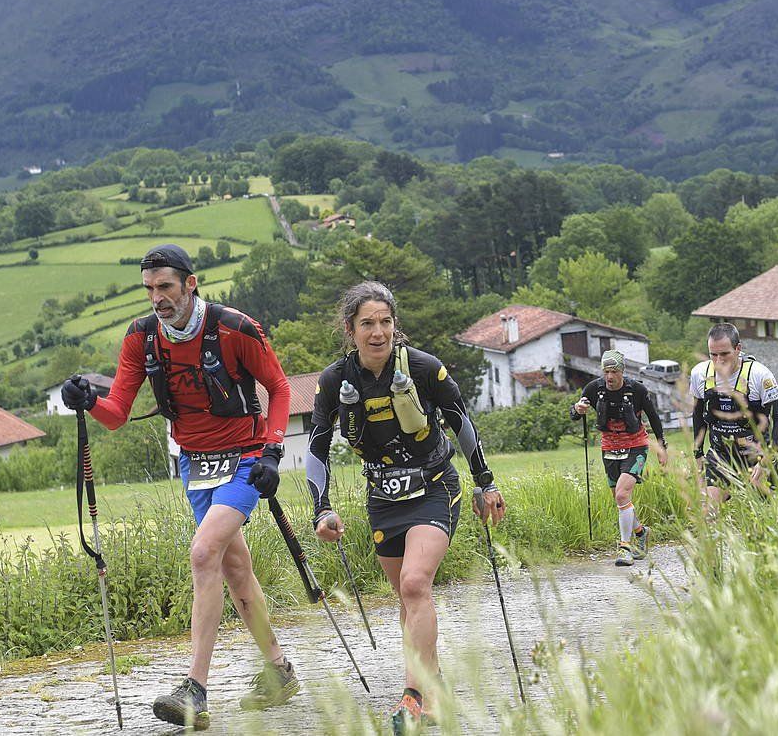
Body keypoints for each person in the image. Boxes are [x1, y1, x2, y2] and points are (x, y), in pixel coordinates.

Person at [60, 244, 295, 729]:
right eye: (149, 289)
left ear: (191, 284)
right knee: (233, 568)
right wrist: (87, 399)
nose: (156, 299)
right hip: (194, 464)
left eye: (165, 287)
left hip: (246, 460)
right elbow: (117, 415)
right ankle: (279, 670)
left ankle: (195, 689)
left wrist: (273, 450)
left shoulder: (235, 328)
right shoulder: (142, 338)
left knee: (203, 554)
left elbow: (280, 387)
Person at [305, 281, 505, 733]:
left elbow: (461, 423)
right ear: (350, 329)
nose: (378, 333)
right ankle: (435, 687)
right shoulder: (335, 380)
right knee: (408, 599)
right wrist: (322, 508)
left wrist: (485, 483)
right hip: (383, 499)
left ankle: (412, 698)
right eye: (367, 324)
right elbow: (316, 447)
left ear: (396, 325)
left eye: (386, 322)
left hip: (436, 488)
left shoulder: (423, 368)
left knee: (416, 584)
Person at [571, 349, 668, 565]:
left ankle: (625, 548)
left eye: (614, 371)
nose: (610, 376)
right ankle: (642, 533)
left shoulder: (638, 390)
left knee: (622, 496)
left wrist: (662, 446)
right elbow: (575, 413)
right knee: (620, 499)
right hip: (609, 447)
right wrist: (578, 409)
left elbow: (653, 417)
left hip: (636, 446)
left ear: (622, 371)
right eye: (606, 371)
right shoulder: (594, 388)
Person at [689, 323, 778, 508]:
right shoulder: (700, 374)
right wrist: (697, 453)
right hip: (721, 453)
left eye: (725, 354)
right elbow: (698, 414)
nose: (719, 360)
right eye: (713, 354)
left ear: (738, 349)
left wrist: (767, 457)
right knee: (708, 510)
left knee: (765, 518)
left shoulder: (759, 375)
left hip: (756, 454)